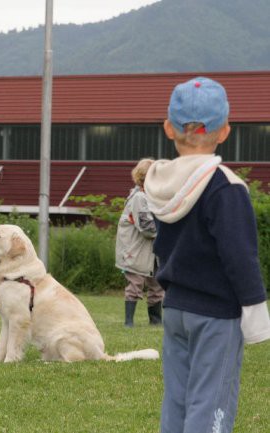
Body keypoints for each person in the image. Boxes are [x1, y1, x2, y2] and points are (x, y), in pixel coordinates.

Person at [145, 77, 270, 433]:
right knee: (211, 401)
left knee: (178, 400)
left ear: (169, 128)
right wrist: (255, 311)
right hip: (216, 314)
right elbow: (239, 256)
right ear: (226, 130)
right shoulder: (225, 187)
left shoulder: (161, 183)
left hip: (176, 309)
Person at [115, 158, 164, 327]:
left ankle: (156, 321)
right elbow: (147, 228)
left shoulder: (153, 197)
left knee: (157, 286)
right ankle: (129, 322)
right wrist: (167, 230)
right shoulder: (139, 198)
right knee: (135, 285)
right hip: (135, 251)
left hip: (153, 251)